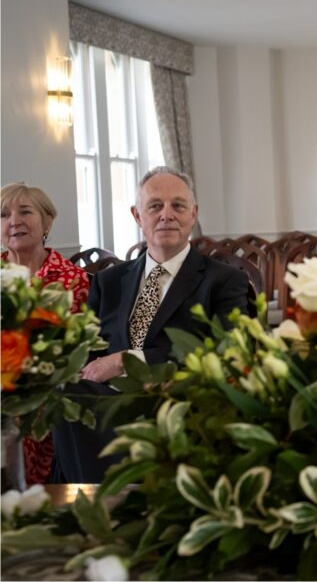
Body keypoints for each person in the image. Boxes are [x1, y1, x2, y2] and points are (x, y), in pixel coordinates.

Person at [52, 166, 248, 483]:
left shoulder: (224, 281)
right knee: (63, 394)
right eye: (155, 206)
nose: (166, 215)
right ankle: (88, 509)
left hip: (178, 398)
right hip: (107, 400)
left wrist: (129, 360)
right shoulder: (108, 282)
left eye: (178, 205)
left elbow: (227, 348)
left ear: (194, 213)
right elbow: (88, 351)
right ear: (137, 215)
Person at [1, 183, 90, 485]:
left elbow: (77, 352)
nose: (14, 221)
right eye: (4, 215)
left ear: (47, 221)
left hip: (47, 395)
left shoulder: (72, 280)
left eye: (26, 212)